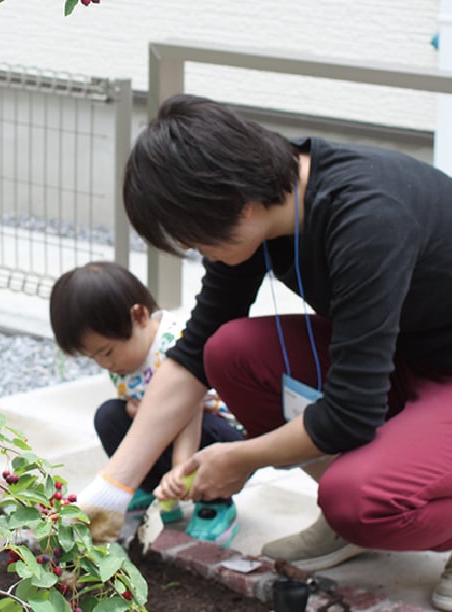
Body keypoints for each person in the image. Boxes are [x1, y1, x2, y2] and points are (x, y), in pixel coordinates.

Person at [85, 93, 452, 610]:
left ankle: (362, 510)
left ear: (240, 205)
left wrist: (241, 458)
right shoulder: (264, 202)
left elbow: (352, 411)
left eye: (195, 239)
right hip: (401, 351)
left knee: (359, 498)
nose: (198, 252)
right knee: (231, 351)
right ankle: (347, 520)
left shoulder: (367, 217)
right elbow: (193, 352)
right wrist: (112, 488)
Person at [50, 261, 244, 546]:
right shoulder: (123, 361)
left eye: (107, 352)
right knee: (109, 416)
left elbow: (188, 409)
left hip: (214, 432)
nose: (106, 364)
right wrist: (132, 408)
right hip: (168, 433)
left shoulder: (172, 344)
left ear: (139, 316)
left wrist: (181, 466)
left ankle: (214, 503)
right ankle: (151, 488)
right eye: (95, 358)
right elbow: (135, 403)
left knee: (207, 435)